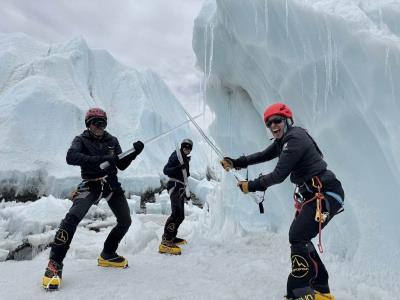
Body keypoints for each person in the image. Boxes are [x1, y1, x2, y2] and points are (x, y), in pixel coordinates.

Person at [220, 103, 344, 300]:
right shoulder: (285, 140)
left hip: (326, 193)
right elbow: (262, 155)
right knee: (300, 236)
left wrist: (251, 185)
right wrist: (236, 162)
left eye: (277, 121)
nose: (273, 126)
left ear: (287, 120)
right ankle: (320, 288)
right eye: (269, 124)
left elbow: (278, 175)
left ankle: (302, 291)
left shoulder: (295, 139)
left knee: (297, 236)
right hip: (317, 194)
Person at [42, 107, 144, 290]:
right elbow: (71, 157)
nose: (99, 127)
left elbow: (120, 165)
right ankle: (54, 264)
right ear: (88, 124)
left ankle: (108, 253)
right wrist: (100, 159)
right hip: (90, 184)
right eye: (96, 123)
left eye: (102, 123)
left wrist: (133, 153)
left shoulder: (113, 141)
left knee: (125, 221)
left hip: (111, 184)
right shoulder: (80, 140)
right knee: (71, 218)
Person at [159, 139, 193, 255]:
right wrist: (179, 167)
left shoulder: (185, 159)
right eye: (185, 147)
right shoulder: (176, 156)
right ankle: (166, 240)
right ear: (182, 147)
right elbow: (166, 170)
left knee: (181, 215)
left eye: (189, 148)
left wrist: (188, 193)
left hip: (181, 187)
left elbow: (185, 176)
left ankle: (171, 236)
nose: (187, 149)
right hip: (174, 184)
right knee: (176, 213)